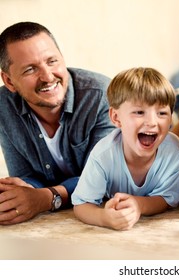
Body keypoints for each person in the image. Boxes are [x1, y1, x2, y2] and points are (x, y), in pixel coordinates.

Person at [0, 22, 115, 225]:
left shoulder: (101, 97)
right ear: (9, 81)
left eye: (52, 61)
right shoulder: (3, 108)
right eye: (30, 70)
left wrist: (46, 198)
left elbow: (102, 180)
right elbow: (26, 176)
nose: (47, 76)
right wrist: (17, 192)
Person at [71, 67, 179, 230]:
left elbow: (166, 199)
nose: (152, 122)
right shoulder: (103, 155)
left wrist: (139, 205)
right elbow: (81, 205)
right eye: (139, 112)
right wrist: (103, 218)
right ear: (116, 118)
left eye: (162, 113)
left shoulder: (172, 149)